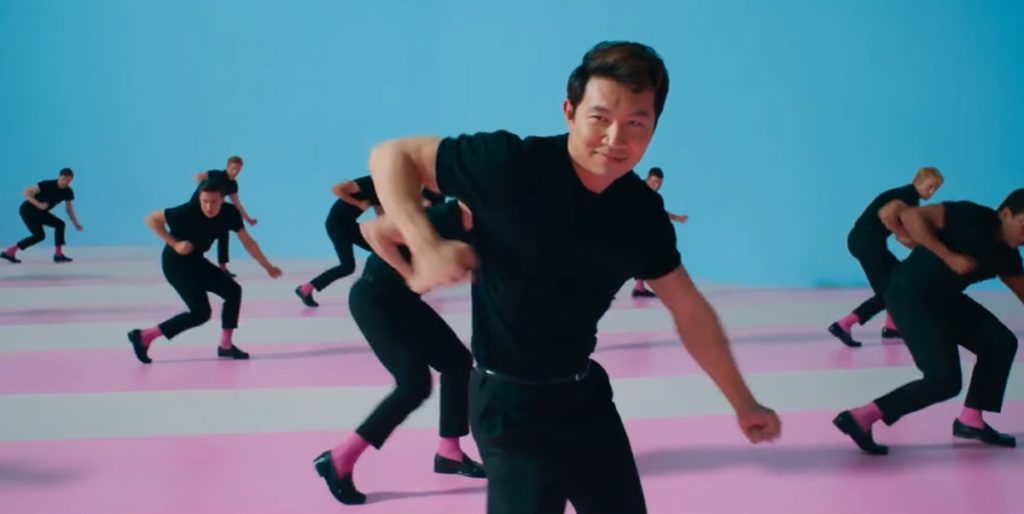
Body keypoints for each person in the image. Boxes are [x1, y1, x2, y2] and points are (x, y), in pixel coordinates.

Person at [364, 41, 781, 514]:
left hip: (584, 397)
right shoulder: (510, 165)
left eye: (636, 123)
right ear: (570, 112)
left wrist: (744, 402)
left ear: (654, 127)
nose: (615, 139)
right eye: (600, 118)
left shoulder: (641, 214)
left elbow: (688, 309)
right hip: (507, 402)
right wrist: (425, 245)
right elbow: (391, 155)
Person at [313, 200, 484, 505]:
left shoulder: (484, 225)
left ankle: (449, 452)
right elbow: (373, 231)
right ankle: (339, 459)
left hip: (404, 301)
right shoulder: (442, 215)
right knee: (414, 385)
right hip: (374, 298)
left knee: (457, 362)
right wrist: (411, 275)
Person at [834, 189, 1024, 455]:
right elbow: (913, 216)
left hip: (943, 299)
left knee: (1001, 343)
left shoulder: (1008, 257)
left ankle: (971, 421)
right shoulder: (972, 216)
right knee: (944, 380)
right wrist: (949, 256)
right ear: (1005, 214)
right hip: (909, 297)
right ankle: (862, 417)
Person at [126, 180, 282, 364]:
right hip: (175, 264)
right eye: (205, 201)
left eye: (213, 202)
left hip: (196, 261)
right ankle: (145, 336)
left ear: (222, 199)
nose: (208, 207)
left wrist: (268, 267)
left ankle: (225, 345)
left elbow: (248, 242)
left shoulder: (230, 213)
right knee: (200, 313)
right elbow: (152, 220)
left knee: (233, 291)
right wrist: (175, 244)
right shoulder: (186, 212)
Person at [828, 167, 944, 347]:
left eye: (936, 189)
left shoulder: (906, 196)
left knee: (897, 278)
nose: (932, 192)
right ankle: (844, 324)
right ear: (918, 181)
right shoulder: (907, 198)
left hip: (867, 242)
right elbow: (902, 232)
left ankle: (891, 328)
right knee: (888, 292)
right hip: (867, 243)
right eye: (930, 186)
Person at [294, 177, 443, 307]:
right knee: (347, 267)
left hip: (349, 225)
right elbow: (337, 189)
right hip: (336, 225)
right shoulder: (370, 183)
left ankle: (398, 288)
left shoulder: (383, 194)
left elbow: (381, 216)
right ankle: (306, 289)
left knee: (383, 250)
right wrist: (357, 203)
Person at [192, 156, 257, 277]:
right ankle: (192, 263)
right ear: (227, 167)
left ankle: (222, 267)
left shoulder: (233, 185)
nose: (235, 172)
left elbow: (237, 204)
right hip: (198, 208)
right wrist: (202, 183)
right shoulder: (216, 174)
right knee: (198, 237)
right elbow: (199, 177)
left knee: (224, 232)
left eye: (238, 170)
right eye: (233, 168)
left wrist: (248, 219)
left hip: (213, 212)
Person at [2, 168, 84, 263]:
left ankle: (58, 254)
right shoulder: (47, 184)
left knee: (60, 224)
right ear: (59, 177)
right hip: (28, 210)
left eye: (69, 181)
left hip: (41, 212)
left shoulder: (68, 192)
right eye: (64, 179)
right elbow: (26, 192)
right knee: (39, 236)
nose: (66, 182)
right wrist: (39, 204)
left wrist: (76, 223)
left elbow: (69, 209)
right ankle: (9, 252)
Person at [633, 166, 688, 297]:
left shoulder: (656, 198)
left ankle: (639, 288)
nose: (657, 186)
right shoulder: (636, 190)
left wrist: (677, 218)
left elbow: (661, 213)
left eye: (659, 183)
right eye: (654, 182)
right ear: (647, 179)